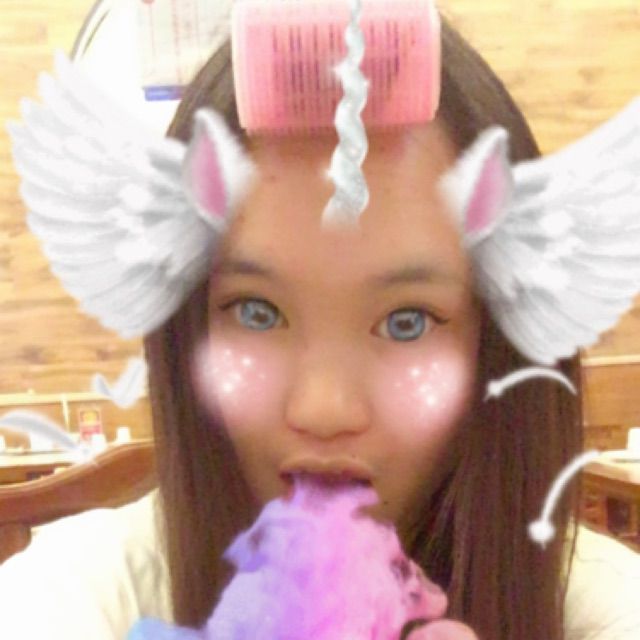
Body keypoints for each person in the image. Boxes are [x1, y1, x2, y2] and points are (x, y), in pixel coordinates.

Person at [1, 11, 640, 640]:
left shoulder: (600, 609)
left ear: (496, 347)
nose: (324, 409)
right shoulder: (77, 598)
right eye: (256, 312)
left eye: (407, 321)